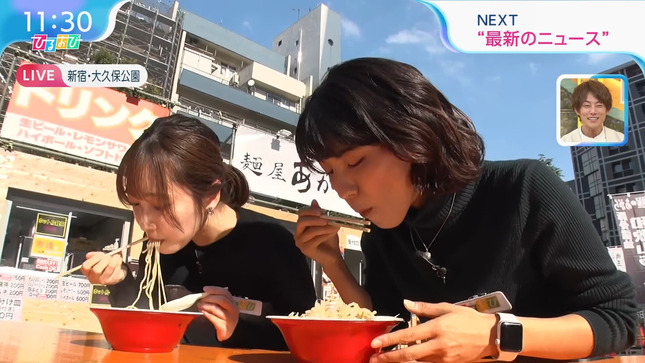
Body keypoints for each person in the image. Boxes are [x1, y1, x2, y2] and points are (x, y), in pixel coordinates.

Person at [294, 57, 638, 362]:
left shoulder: (524, 188)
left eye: (355, 161)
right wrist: (334, 264)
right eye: (330, 171)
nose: (341, 189)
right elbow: (388, 324)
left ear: (412, 136)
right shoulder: (385, 231)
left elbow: (618, 318)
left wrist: (495, 335)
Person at [81, 114, 316, 350]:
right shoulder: (159, 244)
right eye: (136, 204)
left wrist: (239, 330)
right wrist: (119, 279)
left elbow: (308, 338)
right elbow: (145, 314)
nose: (145, 222)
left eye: (160, 205)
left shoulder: (274, 244)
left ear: (210, 196)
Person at [560, 79, 624, 144]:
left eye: (599, 105)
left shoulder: (620, 138)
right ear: (577, 110)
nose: (593, 111)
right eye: (587, 105)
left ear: (607, 109)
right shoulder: (566, 140)